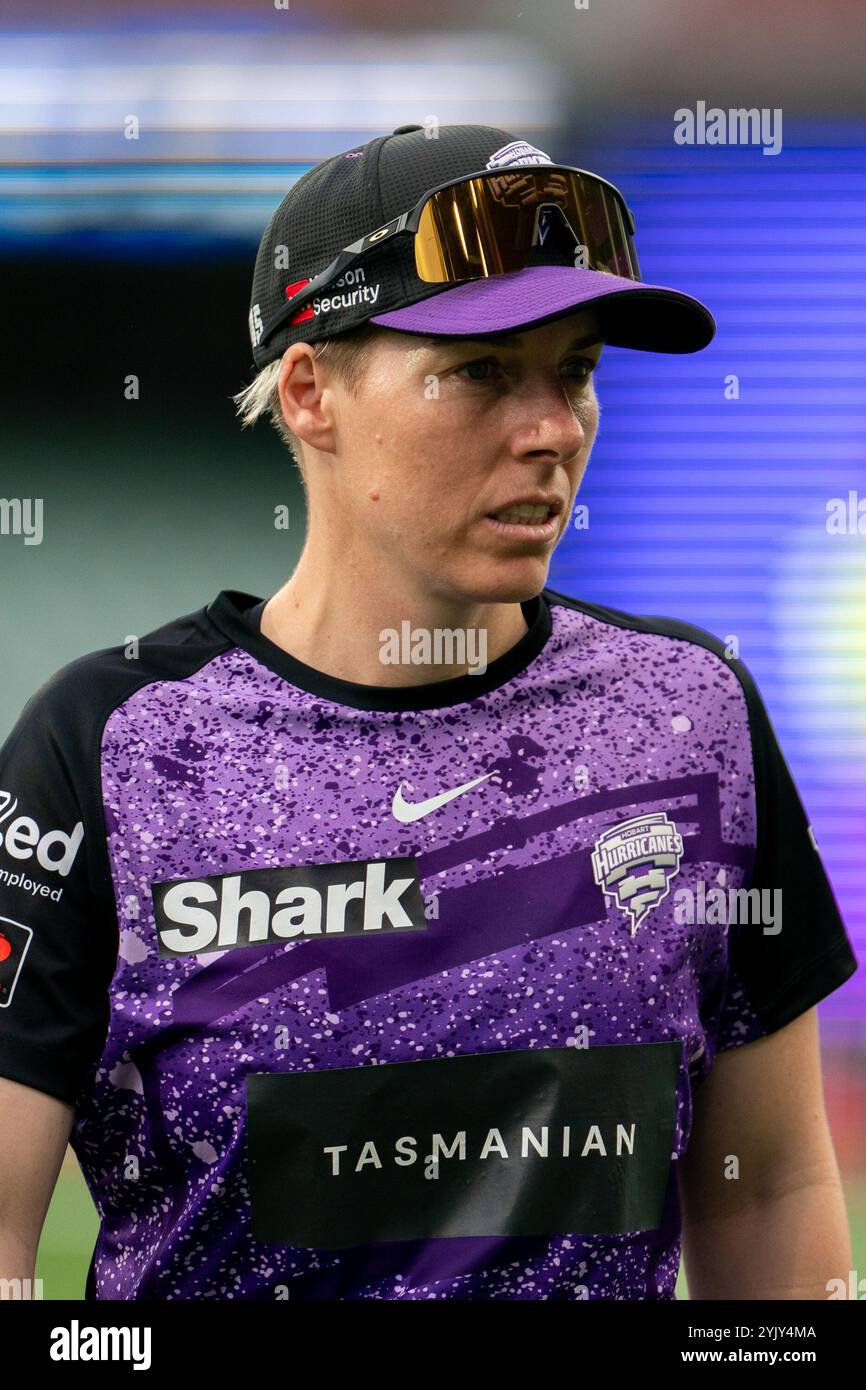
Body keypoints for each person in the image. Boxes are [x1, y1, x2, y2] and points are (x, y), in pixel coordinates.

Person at [0, 123, 857, 1302]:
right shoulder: (107, 746)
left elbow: (765, 1190)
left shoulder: (690, 713)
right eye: (480, 372)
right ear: (310, 393)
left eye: (575, 370)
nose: (551, 428)